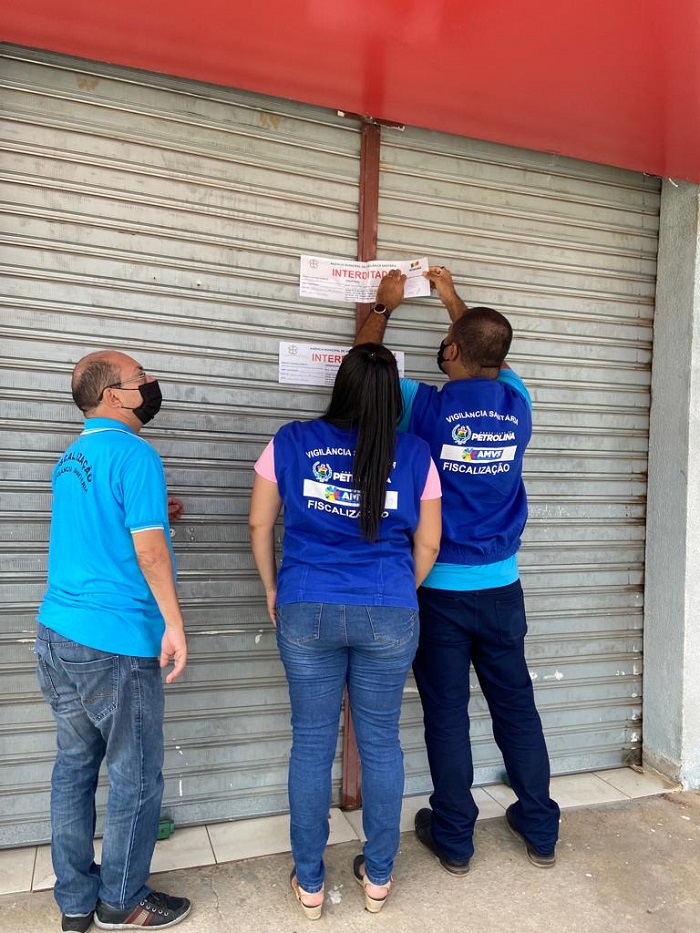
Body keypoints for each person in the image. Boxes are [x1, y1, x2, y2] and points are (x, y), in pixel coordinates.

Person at [356, 267, 560, 875]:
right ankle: (541, 827)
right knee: (516, 707)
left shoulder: (426, 407)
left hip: (440, 591)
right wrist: (451, 300)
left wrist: (386, 307)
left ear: (449, 352)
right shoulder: (518, 402)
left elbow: (366, 363)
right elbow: (484, 345)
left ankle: (455, 838)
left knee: (446, 714)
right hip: (503, 588)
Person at [249, 343, 441, 918]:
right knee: (381, 743)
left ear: (342, 386)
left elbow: (260, 522)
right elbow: (428, 542)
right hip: (389, 610)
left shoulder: (291, 441)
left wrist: (271, 587)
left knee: (310, 742)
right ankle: (377, 877)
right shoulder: (415, 454)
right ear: (393, 396)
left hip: (306, 607)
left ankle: (309, 883)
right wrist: (403, 589)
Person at [35, 350, 191, 932]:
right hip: (115, 645)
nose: (151, 384)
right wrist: (173, 623)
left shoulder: (71, 457)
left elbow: (101, 524)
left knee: (74, 767)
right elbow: (148, 552)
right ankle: (121, 900)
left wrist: (155, 511)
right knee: (136, 774)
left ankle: (75, 901)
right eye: (140, 379)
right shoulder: (135, 455)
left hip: (58, 634)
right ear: (113, 396)